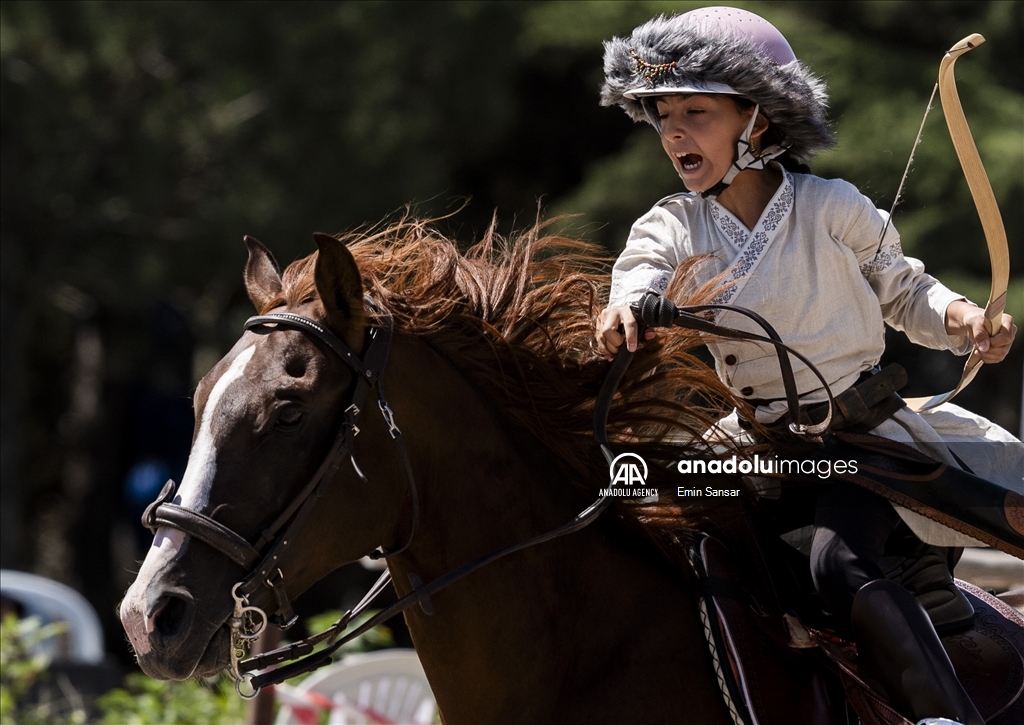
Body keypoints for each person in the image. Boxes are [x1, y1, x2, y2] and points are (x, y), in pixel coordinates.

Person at [593, 7, 1021, 725]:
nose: (673, 131)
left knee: (838, 564)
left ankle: (946, 718)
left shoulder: (832, 207)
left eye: (696, 111)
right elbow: (639, 272)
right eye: (663, 113)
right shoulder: (672, 222)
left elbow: (909, 290)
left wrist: (967, 322)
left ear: (757, 118)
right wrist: (626, 306)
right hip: (753, 448)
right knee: (650, 541)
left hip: (860, 444)